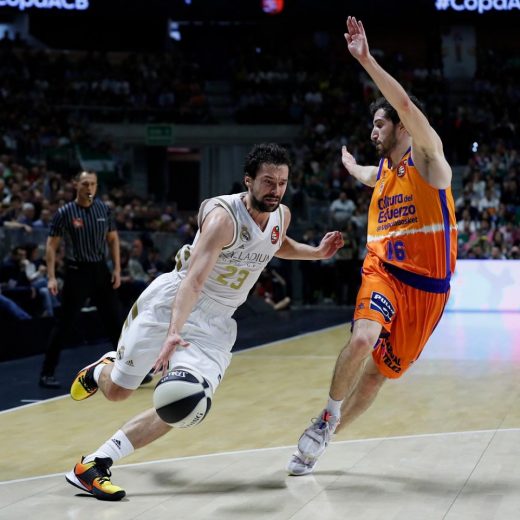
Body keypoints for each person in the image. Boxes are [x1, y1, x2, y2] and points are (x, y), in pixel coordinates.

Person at [65, 143, 344, 501]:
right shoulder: (222, 217)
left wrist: (316, 252)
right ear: (249, 181)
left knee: (183, 400)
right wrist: (173, 334)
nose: (276, 190)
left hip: (216, 322)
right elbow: (194, 281)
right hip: (173, 305)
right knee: (119, 391)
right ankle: (101, 370)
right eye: (268, 182)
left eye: (283, 182)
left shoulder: (281, 215)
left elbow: (274, 243)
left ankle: (95, 464)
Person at [287, 17, 457, 476]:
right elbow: (369, 172)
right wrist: (351, 165)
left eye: (379, 124)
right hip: (382, 272)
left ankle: (326, 434)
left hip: (429, 291)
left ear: (402, 125)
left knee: (381, 374)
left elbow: (401, 101)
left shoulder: (428, 158)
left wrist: (366, 59)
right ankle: (326, 413)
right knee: (363, 337)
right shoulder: (382, 171)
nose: (373, 131)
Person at [38, 171, 123, 389]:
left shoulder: (104, 209)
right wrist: (51, 277)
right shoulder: (65, 212)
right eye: (85, 183)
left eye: (93, 184)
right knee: (65, 324)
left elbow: (113, 240)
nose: (89, 188)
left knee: (115, 322)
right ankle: (47, 373)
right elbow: (51, 245)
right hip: (76, 272)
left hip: (100, 270)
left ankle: (128, 371)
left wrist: (117, 269)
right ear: (76, 184)